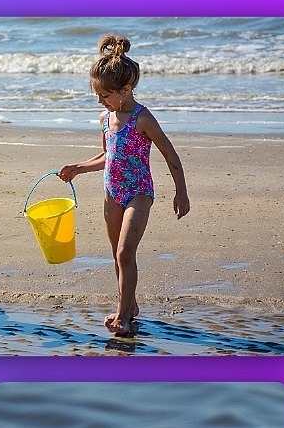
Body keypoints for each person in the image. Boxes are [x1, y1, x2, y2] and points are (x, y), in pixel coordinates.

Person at [59, 34, 189, 337]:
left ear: (126, 90)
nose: (100, 100)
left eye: (105, 94)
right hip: (112, 192)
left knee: (125, 253)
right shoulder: (105, 118)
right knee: (117, 254)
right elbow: (108, 156)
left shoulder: (143, 119)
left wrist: (180, 191)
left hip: (139, 192)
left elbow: (171, 155)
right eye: (98, 94)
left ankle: (122, 317)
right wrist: (78, 167)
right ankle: (129, 307)